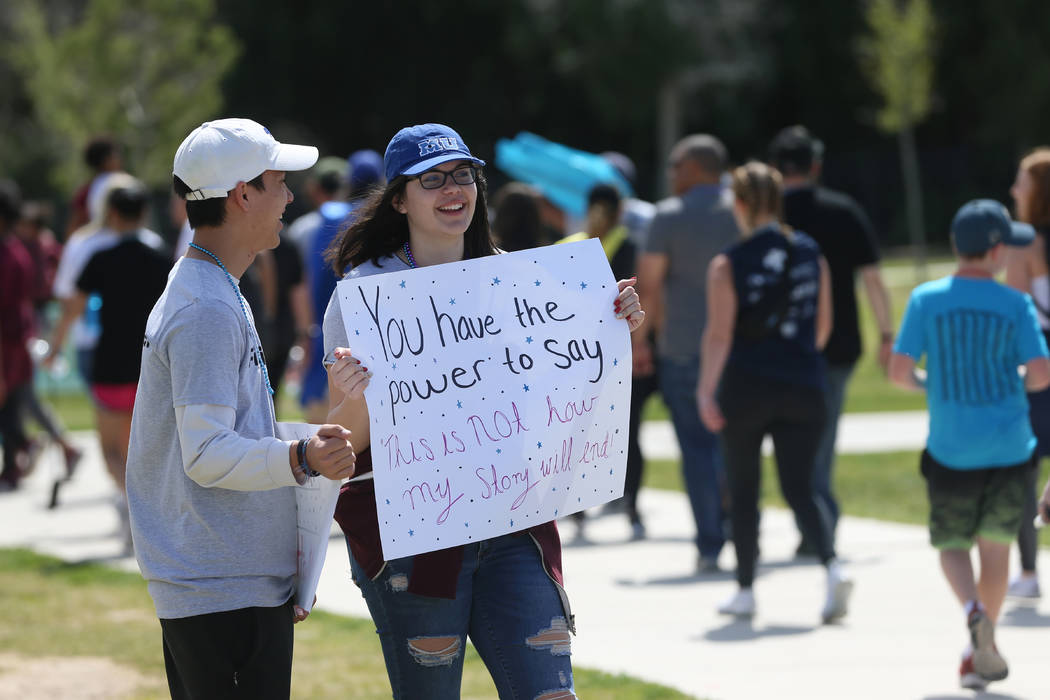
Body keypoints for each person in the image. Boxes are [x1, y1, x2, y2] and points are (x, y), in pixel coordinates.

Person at [323, 123, 644, 699]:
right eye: (433, 179)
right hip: (417, 544)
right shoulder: (365, 294)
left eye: (463, 174)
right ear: (399, 199)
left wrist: (608, 323)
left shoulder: (518, 283)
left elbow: (563, 392)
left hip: (513, 524)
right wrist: (355, 393)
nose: (454, 189)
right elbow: (343, 443)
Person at [126, 118, 357, 699]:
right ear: (242, 194)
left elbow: (223, 436)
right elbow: (205, 453)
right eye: (278, 181)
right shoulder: (206, 305)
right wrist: (302, 456)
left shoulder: (213, 286)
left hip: (229, 581)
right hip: (219, 587)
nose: (289, 197)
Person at [889, 199, 1049, 691]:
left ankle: (972, 612)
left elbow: (898, 373)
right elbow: (1041, 375)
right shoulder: (1015, 303)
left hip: (950, 449)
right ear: (998, 250)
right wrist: (1009, 381)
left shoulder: (926, 298)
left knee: (952, 545)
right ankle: (987, 640)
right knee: (996, 547)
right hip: (1009, 447)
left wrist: (930, 384)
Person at [696, 161, 851, 622]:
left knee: (744, 491)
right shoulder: (810, 252)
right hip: (805, 384)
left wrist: (706, 390)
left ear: (740, 204)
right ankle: (832, 567)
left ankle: (745, 590)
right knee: (802, 487)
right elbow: (822, 326)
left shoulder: (728, 262)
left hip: (747, 386)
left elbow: (720, 334)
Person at [769, 125, 894, 556]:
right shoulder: (844, 211)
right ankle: (820, 521)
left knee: (790, 442)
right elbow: (874, 280)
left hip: (779, 348)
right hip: (840, 344)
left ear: (773, 168)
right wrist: (886, 333)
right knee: (822, 440)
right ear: (816, 166)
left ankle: (815, 523)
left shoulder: (767, 218)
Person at [637, 134, 738, 572]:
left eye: (676, 165)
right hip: (739, 348)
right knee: (737, 445)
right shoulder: (744, 210)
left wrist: (641, 342)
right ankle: (739, 525)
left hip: (682, 349)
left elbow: (650, 286)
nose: (671, 173)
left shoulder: (668, 216)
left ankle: (710, 543)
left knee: (696, 450)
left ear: (695, 167)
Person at [59, 180, 172, 545]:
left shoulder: (100, 258)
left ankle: (126, 502)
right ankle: (141, 508)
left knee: (110, 448)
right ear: (143, 213)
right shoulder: (163, 258)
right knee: (146, 447)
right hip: (150, 365)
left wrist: (53, 346)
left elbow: (72, 308)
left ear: (111, 214)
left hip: (109, 363)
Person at [562, 184, 655, 540]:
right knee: (603, 435)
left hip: (599, 357)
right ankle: (607, 509)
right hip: (598, 358)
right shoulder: (606, 247)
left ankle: (608, 509)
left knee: (603, 434)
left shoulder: (587, 246)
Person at [300, 149, 383, 424]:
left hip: (331, 321)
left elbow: (319, 276)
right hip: (380, 329)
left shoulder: (332, 216)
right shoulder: (390, 221)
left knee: (325, 418)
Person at [1005, 147, 1050, 599]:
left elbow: (1012, 317)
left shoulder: (1026, 245)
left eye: (1022, 182)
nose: (1015, 190)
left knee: (1025, 474)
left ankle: (1030, 573)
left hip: (1040, 371)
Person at [14, 201, 82, 485]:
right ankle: (31, 445)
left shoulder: (30, 248)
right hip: (36, 320)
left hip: (30, 323)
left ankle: (60, 445)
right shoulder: (47, 246)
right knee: (22, 394)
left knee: (24, 392)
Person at [0, 180, 34, 491]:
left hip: (7, 341)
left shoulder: (7, 255)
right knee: (12, 405)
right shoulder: (16, 250)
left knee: (8, 405)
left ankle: (13, 464)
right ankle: (20, 452)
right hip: (16, 337)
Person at [65, 136, 123, 239]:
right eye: (115, 155)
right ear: (106, 160)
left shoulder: (86, 190)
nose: (119, 159)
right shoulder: (87, 192)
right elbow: (74, 227)